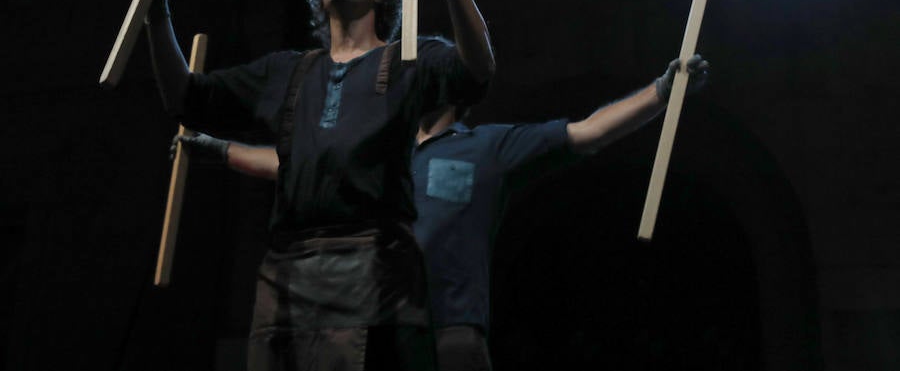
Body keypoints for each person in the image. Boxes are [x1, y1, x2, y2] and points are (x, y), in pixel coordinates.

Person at [177, 55, 709, 370]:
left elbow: (588, 132)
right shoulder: (377, 152)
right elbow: (287, 165)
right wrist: (217, 148)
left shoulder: (489, 147)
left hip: (451, 331)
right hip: (374, 330)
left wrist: (662, 90)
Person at [138, 0, 495, 371]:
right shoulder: (289, 71)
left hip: (374, 267)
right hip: (288, 272)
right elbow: (184, 97)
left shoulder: (409, 60)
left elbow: (478, 71)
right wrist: (156, 11)